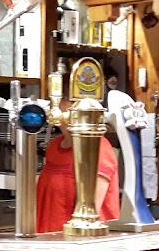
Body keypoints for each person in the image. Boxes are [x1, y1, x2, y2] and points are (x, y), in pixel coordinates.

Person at [36, 100, 120, 233]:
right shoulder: (54, 146)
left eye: (62, 102)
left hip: (84, 236)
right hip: (50, 234)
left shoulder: (97, 146)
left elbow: (92, 211)